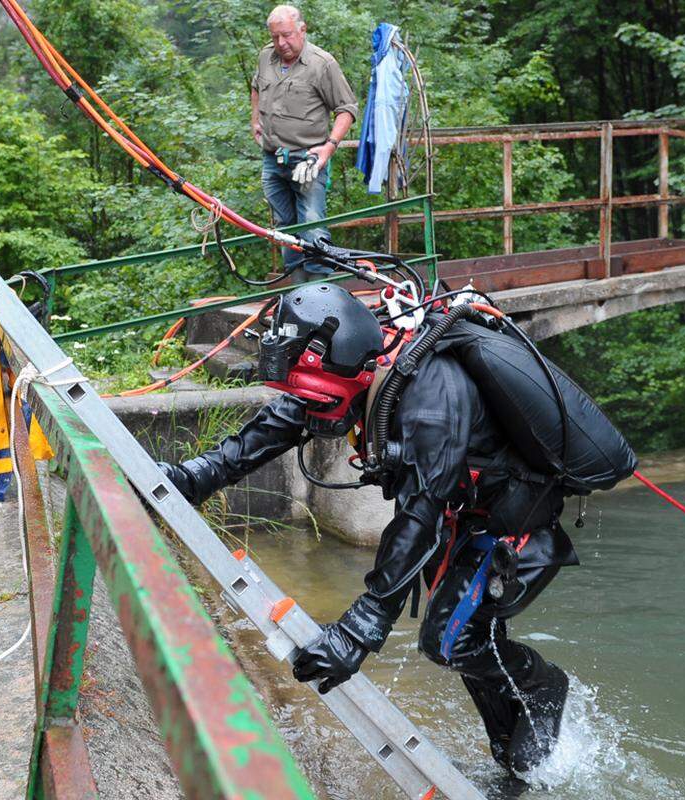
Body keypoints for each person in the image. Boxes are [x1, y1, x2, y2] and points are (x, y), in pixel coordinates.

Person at [158, 284, 635, 776]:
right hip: (464, 516)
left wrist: (358, 630)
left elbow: (418, 517)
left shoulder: (431, 400)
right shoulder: (353, 364)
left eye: (320, 402)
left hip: (511, 528)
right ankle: (513, 766)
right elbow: (285, 417)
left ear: (349, 368)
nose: (314, 412)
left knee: (450, 641)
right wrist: (196, 477)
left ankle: (543, 686)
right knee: (470, 640)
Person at [252, 5, 359, 282]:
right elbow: (255, 86)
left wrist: (329, 146)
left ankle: (321, 295)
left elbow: (346, 108)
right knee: (284, 230)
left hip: (308, 158)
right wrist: (255, 120)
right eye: (275, 37)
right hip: (272, 158)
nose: (281, 43)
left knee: (313, 227)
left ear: (302, 29)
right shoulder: (266, 56)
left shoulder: (322, 64)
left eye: (286, 35)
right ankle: (297, 294)